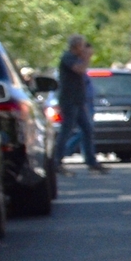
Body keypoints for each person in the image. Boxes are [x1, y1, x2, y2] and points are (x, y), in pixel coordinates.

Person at [53, 34, 107, 175]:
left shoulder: (76, 58)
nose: (84, 48)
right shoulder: (68, 58)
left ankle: (91, 162)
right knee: (67, 130)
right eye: (82, 45)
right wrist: (87, 57)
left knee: (87, 130)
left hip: (78, 100)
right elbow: (80, 69)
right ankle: (56, 161)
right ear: (76, 46)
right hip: (69, 100)